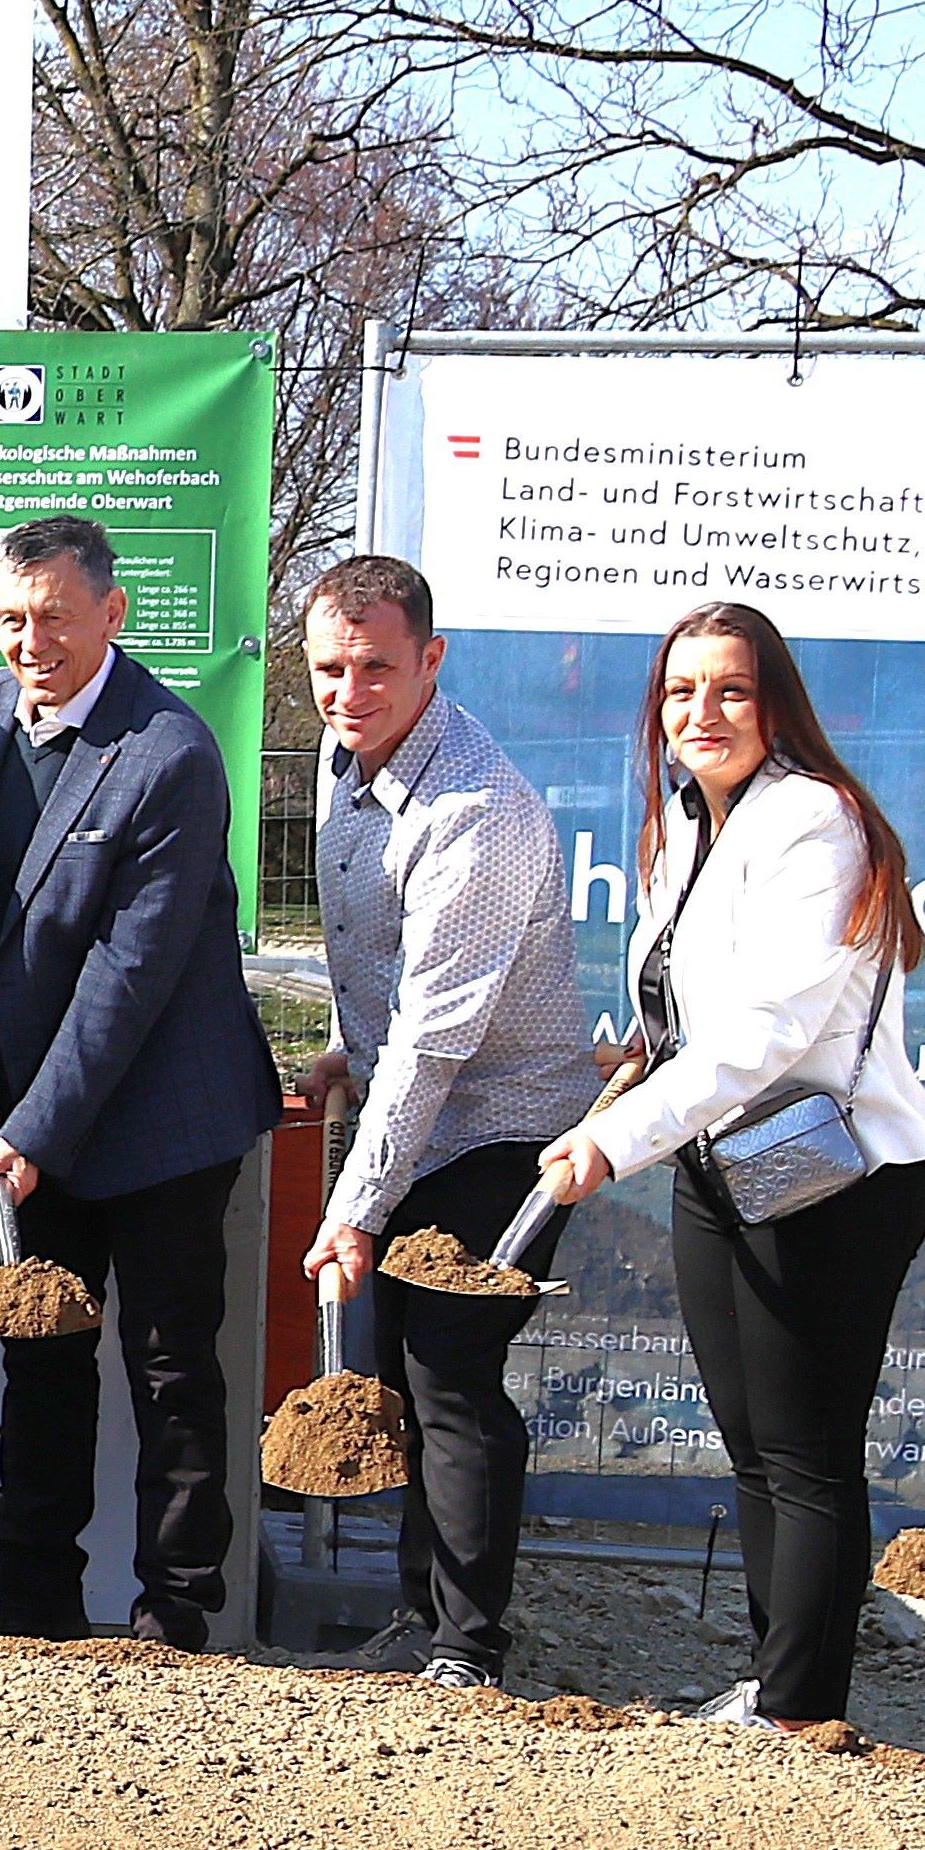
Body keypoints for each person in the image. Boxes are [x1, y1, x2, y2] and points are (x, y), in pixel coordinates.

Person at [536, 601, 925, 1731]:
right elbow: (696, 1008)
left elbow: (769, 1030)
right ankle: (778, 1686)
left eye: (731, 689)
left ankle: (805, 1713)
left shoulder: (816, 821)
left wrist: (616, 1137)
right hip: (723, 1161)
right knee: (757, 1452)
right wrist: (642, 1059)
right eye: (681, 691)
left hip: (833, 1177)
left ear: (777, 706)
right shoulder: (686, 821)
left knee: (807, 1456)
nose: (701, 712)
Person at [0, 513, 283, 1651]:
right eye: (10, 619)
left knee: (170, 1368)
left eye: (55, 618)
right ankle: (32, 1608)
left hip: (165, 1115)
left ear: (112, 613)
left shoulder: (170, 754)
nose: (31, 642)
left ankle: (176, 1611)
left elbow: (130, 976)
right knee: (40, 1352)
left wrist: (33, 1129)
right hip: (37, 1106)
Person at [293, 553, 594, 1688]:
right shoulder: (345, 761)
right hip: (411, 1111)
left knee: (449, 1373)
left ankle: (468, 1647)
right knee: (412, 1375)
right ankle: (419, 1621)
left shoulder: (478, 812)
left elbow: (436, 1038)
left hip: (502, 1130)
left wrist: (354, 1210)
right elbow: (375, 953)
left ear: (432, 659)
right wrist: (346, 1044)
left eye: (377, 667)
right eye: (331, 667)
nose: (349, 691)